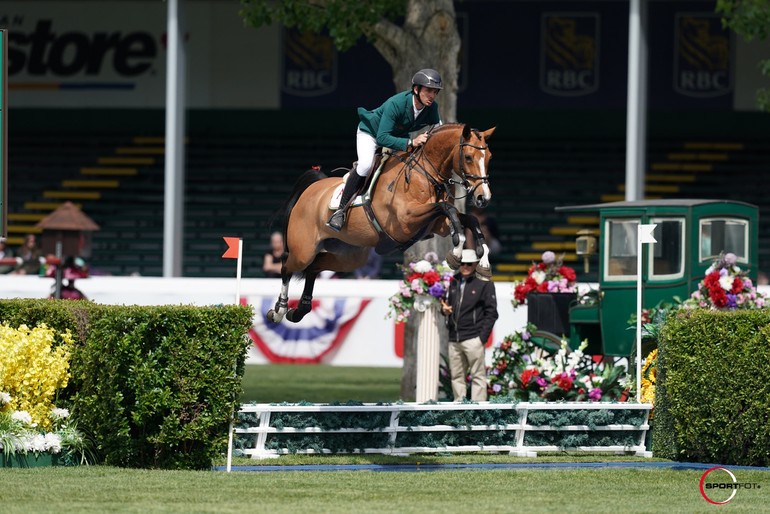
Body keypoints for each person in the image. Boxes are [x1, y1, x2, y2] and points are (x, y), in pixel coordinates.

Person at [327, 68, 444, 231]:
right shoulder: (396, 103)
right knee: (366, 165)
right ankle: (340, 211)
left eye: (435, 92)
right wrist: (411, 142)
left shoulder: (432, 107)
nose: (432, 96)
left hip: (397, 137)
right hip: (371, 134)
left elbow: (440, 130)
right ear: (416, 89)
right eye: (428, 91)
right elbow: (382, 138)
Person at [441, 249, 499, 402]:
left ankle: (478, 411)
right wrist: (444, 310)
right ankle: (459, 409)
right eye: (462, 263)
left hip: (473, 338)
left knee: (478, 376)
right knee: (456, 376)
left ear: (475, 265)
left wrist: (481, 338)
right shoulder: (453, 281)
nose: (465, 266)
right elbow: (446, 305)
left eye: (469, 264)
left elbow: (492, 312)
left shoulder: (484, 283)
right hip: (454, 337)